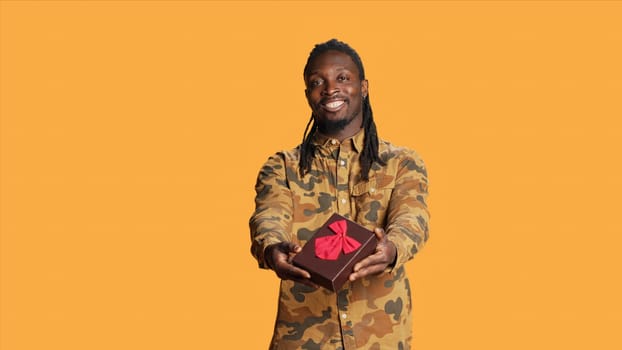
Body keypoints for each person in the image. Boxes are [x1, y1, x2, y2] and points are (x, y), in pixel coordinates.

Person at [249, 39, 430, 350]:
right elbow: (269, 217)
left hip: (382, 341)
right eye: (317, 82)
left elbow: (412, 219)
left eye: (342, 78)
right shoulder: (282, 167)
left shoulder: (402, 162)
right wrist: (272, 249)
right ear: (308, 95)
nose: (330, 89)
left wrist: (393, 249)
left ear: (364, 86)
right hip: (304, 341)